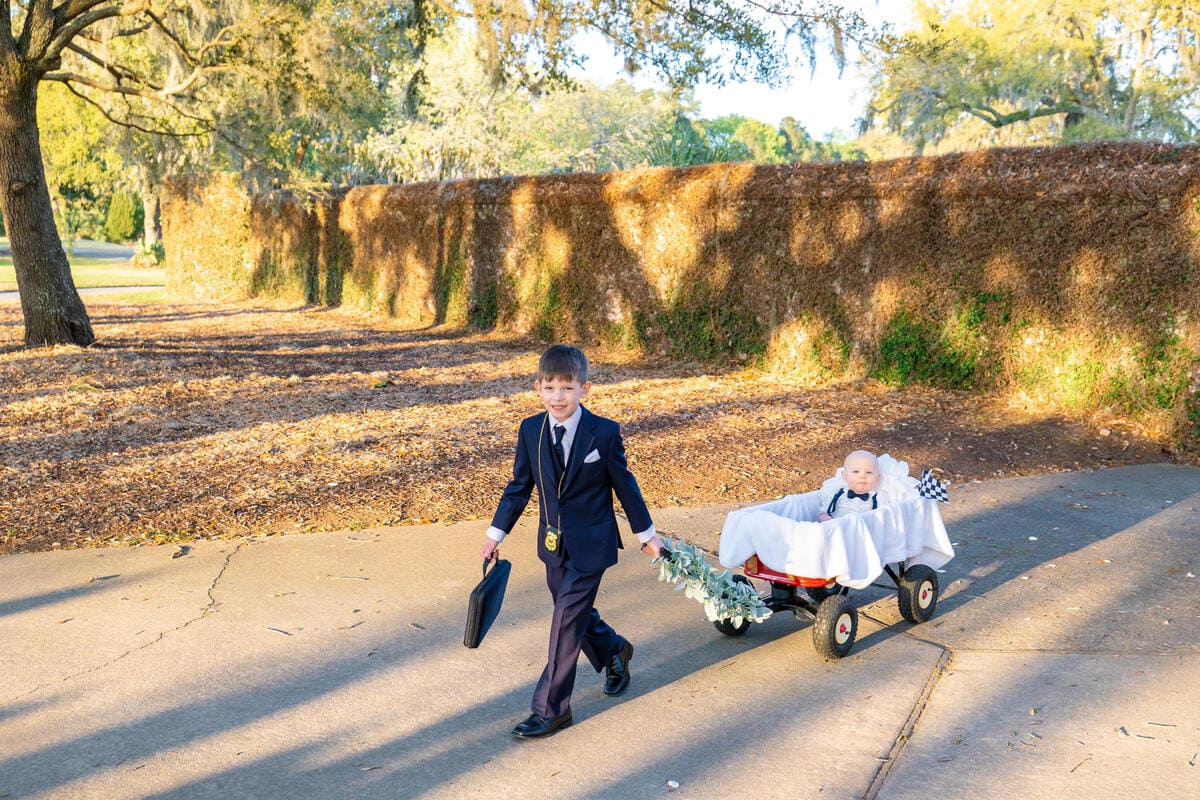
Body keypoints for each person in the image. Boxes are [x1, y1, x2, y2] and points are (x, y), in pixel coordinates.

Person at [481, 344, 663, 740]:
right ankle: (614, 651)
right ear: (538, 389)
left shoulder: (604, 432)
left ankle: (551, 709)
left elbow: (625, 487)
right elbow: (519, 487)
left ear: (585, 389)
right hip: (552, 545)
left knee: (564, 623)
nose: (558, 397)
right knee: (573, 615)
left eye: (567, 388)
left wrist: (646, 535)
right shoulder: (531, 430)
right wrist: (495, 534)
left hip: (592, 545)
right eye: (550, 388)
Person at [818, 450, 881, 522]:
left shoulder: (879, 498)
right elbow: (823, 510)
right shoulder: (837, 493)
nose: (862, 476)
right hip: (837, 529)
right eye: (856, 471)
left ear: (877, 478)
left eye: (869, 472)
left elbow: (885, 517)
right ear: (845, 476)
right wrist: (824, 517)